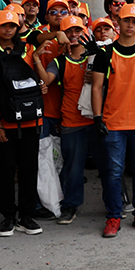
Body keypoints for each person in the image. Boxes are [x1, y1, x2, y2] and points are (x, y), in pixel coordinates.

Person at [92, 3, 135, 237]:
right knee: (113, 171)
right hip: (113, 123)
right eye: (126, 21)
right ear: (118, 23)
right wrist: (97, 117)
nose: (130, 25)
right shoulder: (105, 54)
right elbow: (97, 87)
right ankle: (113, 216)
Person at [0, 8, 47, 237]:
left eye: (12, 25)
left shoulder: (28, 50)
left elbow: (37, 81)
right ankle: (8, 217)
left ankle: (26, 216)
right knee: (5, 171)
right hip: (3, 124)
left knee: (30, 169)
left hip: (30, 121)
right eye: (4, 26)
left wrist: (42, 86)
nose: (8, 29)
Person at [46, 18, 93, 223]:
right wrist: (38, 59)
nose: (74, 34)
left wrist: (96, 56)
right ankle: (70, 206)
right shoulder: (59, 61)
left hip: (99, 119)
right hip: (71, 121)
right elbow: (47, 80)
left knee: (110, 166)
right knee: (72, 168)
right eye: (69, 30)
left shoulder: (95, 56)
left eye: (77, 29)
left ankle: (117, 204)